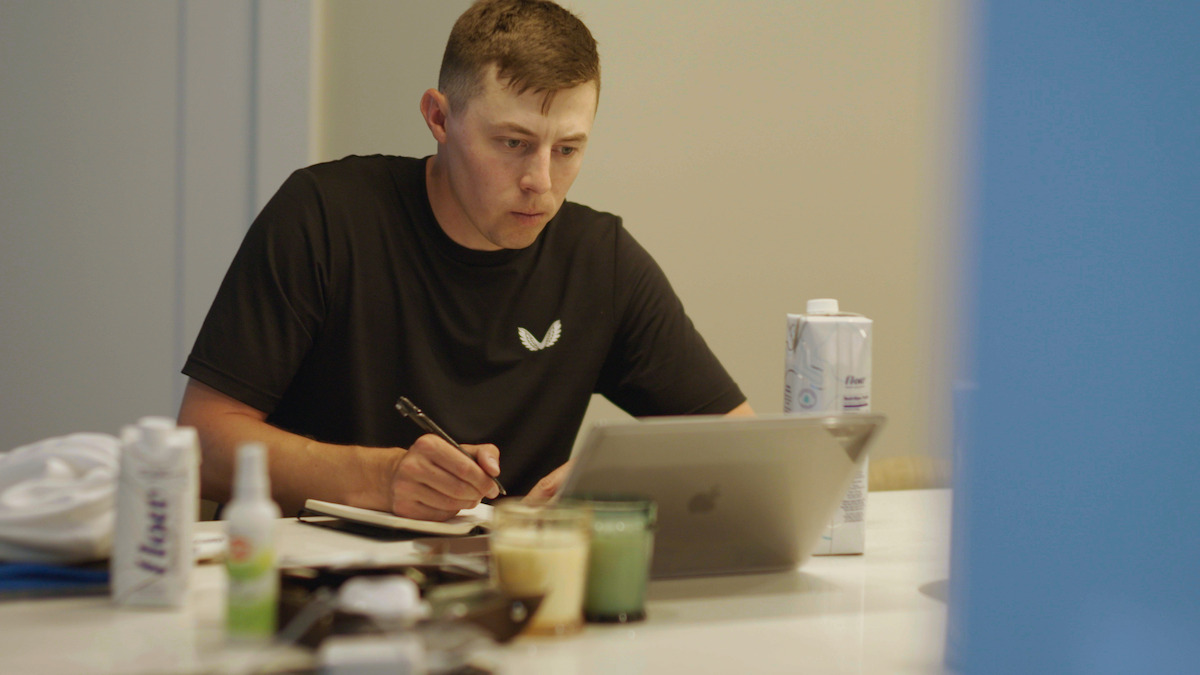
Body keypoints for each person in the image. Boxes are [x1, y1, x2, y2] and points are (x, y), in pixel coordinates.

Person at [178, 0, 752, 520]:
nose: (541, 183)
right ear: (439, 118)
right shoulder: (326, 215)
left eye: (568, 149)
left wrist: (616, 482)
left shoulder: (599, 260)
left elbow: (742, 446)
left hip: (509, 590)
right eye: (513, 143)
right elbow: (203, 443)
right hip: (314, 585)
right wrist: (382, 479)